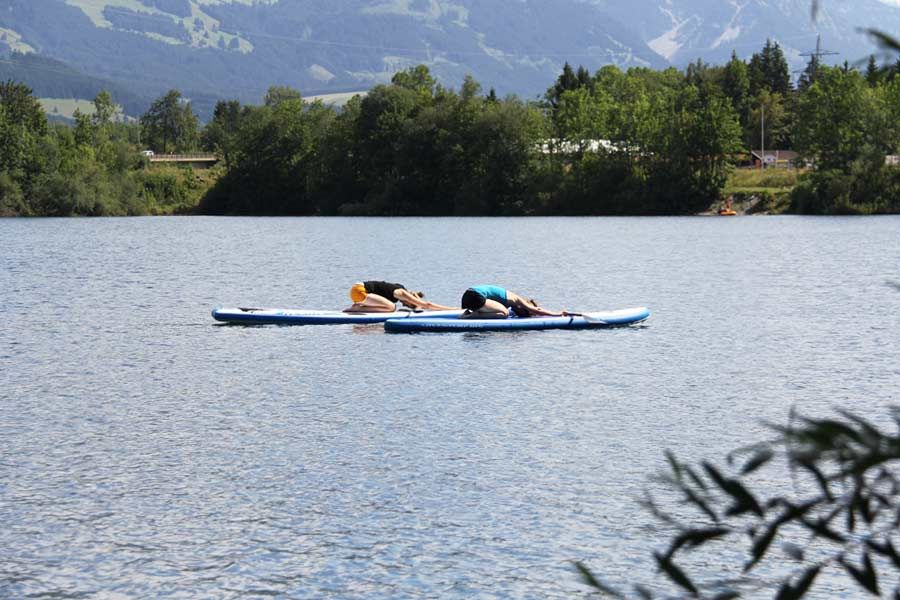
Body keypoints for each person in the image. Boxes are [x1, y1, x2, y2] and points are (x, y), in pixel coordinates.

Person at [460, 285, 566, 319]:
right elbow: (536, 309)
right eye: (527, 311)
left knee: (501, 311)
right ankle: (471, 316)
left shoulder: (510, 300)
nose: (525, 312)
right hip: (475, 296)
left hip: (467, 296)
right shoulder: (518, 299)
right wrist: (556, 314)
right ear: (527, 304)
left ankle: (470, 313)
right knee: (504, 313)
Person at [344, 281, 455, 313]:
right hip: (359, 291)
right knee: (391, 307)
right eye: (410, 305)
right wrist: (455, 309)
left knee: (389, 307)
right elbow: (427, 305)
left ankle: (359, 305)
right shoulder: (401, 293)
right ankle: (357, 308)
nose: (404, 304)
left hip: (358, 291)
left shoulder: (399, 290)